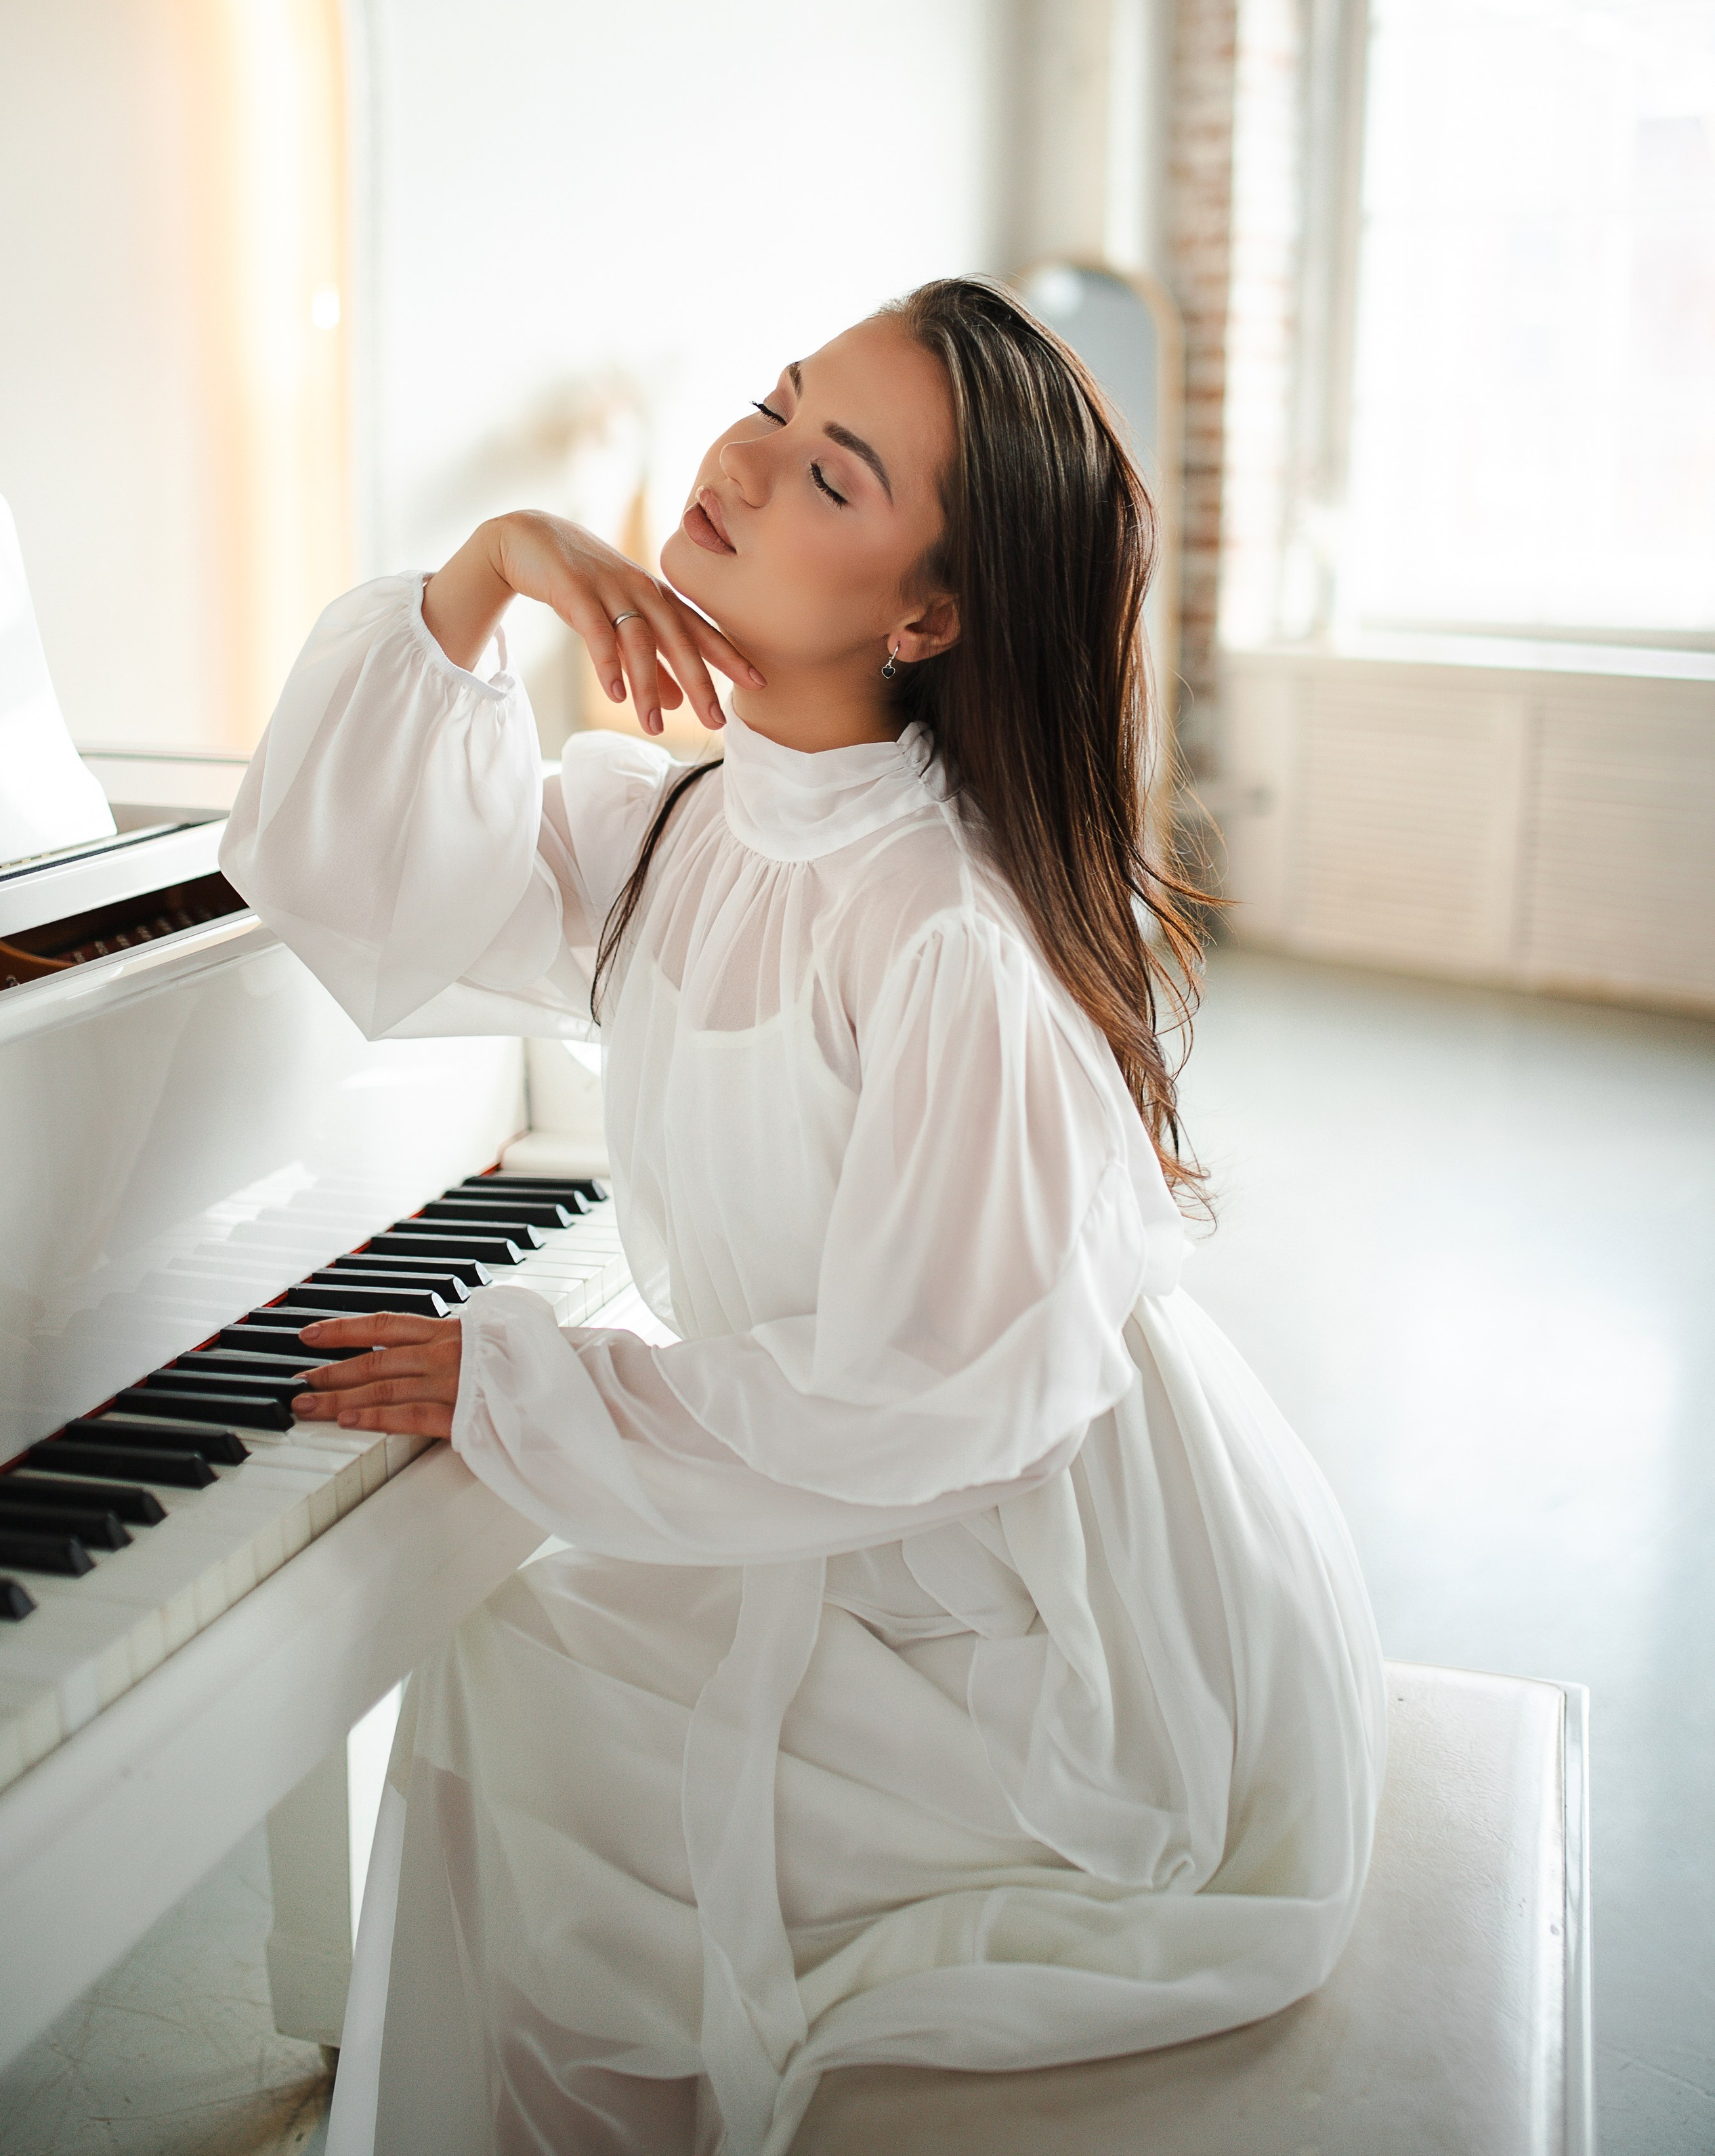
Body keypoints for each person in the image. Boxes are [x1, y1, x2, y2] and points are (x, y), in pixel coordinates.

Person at [221, 277, 1385, 2156]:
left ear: (927, 615)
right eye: (772, 404)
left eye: (831, 473)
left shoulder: (946, 944)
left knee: (517, 1686)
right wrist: (484, 574)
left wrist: (538, 1390)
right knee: (513, 1691)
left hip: (1047, 1619)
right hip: (882, 1503)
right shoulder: (687, 825)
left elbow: (937, 1409)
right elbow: (355, 876)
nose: (747, 465)